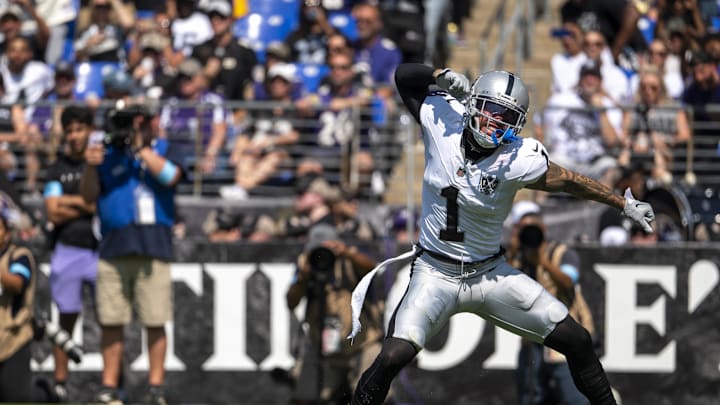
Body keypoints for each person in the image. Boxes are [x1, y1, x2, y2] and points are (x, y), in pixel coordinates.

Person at [347, 63, 656, 405]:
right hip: (434, 272)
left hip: (489, 274)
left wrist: (620, 203)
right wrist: (439, 75)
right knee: (391, 356)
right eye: (491, 110)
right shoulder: (442, 119)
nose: (495, 122)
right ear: (473, 104)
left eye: (507, 117)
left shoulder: (518, 158)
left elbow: (569, 181)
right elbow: (403, 76)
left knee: (577, 339)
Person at [80, 104, 182, 405]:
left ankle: (155, 388)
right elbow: (88, 197)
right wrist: (89, 165)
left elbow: (171, 177)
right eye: (126, 123)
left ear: (150, 123)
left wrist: (141, 149)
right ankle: (110, 387)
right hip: (113, 247)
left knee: (155, 319)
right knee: (111, 320)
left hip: (154, 246)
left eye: (138, 122)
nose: (131, 128)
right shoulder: (106, 153)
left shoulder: (165, 147)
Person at [507, 201, 595, 405]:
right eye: (522, 229)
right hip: (532, 341)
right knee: (531, 398)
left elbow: (568, 281)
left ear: (543, 229)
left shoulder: (561, 253)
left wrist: (542, 262)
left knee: (574, 398)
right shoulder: (518, 259)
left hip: (563, 340)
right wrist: (512, 251)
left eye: (532, 229)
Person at [286, 223, 383, 404]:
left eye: (326, 250)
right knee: (306, 394)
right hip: (325, 347)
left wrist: (346, 253)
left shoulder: (349, 261)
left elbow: (372, 268)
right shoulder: (306, 265)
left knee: (372, 396)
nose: (323, 257)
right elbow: (291, 302)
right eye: (317, 251)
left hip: (362, 344)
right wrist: (303, 278)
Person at [43, 106, 99, 402]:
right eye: (70, 131)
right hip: (66, 250)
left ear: (90, 130)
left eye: (80, 129)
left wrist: (70, 202)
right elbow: (52, 210)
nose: (75, 136)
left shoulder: (100, 164)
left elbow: (99, 206)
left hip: (101, 251)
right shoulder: (56, 168)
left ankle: (111, 385)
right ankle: (60, 384)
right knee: (65, 322)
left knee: (111, 320)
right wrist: (84, 203)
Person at [0, 201, 37, 402]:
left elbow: (16, 284)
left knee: (16, 397)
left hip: (13, 339)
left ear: (7, 232)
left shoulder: (19, 256)